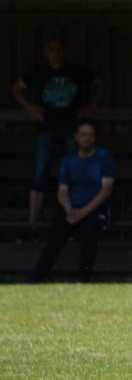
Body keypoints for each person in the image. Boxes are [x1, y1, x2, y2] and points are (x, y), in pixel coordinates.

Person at [11, 36, 104, 236]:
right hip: (47, 128)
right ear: (46, 52)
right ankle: (33, 225)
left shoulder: (76, 70)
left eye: (59, 49)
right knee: (39, 175)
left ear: (65, 51)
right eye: (52, 50)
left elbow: (99, 82)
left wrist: (93, 105)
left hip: (72, 130)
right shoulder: (39, 72)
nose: (56, 53)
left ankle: (73, 222)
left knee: (74, 175)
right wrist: (30, 107)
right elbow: (16, 88)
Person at [30, 120, 114, 283]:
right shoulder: (68, 160)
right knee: (55, 237)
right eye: (83, 135)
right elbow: (62, 191)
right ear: (76, 137)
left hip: (96, 207)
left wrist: (83, 213)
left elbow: (106, 191)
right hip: (72, 208)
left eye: (91, 135)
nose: (87, 138)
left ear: (95, 138)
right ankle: (36, 278)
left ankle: (83, 278)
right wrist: (69, 210)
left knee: (89, 234)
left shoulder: (104, 157)